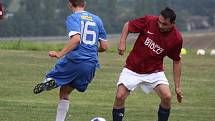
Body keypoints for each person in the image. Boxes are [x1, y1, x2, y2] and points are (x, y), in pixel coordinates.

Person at [33, 0, 108, 121]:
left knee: (53, 77)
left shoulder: (73, 18)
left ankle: (52, 81)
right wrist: (92, 48)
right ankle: (54, 83)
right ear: (84, 4)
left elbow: (76, 39)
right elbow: (104, 47)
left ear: (70, 4)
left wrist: (59, 53)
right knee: (65, 92)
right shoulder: (97, 19)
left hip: (75, 60)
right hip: (91, 65)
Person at [112, 7, 183, 121]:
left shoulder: (177, 39)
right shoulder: (149, 20)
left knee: (167, 97)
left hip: (154, 72)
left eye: (164, 24)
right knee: (119, 96)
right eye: (159, 22)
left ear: (173, 23)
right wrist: (122, 42)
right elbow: (128, 25)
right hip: (132, 68)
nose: (160, 25)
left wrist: (178, 87)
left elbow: (177, 61)